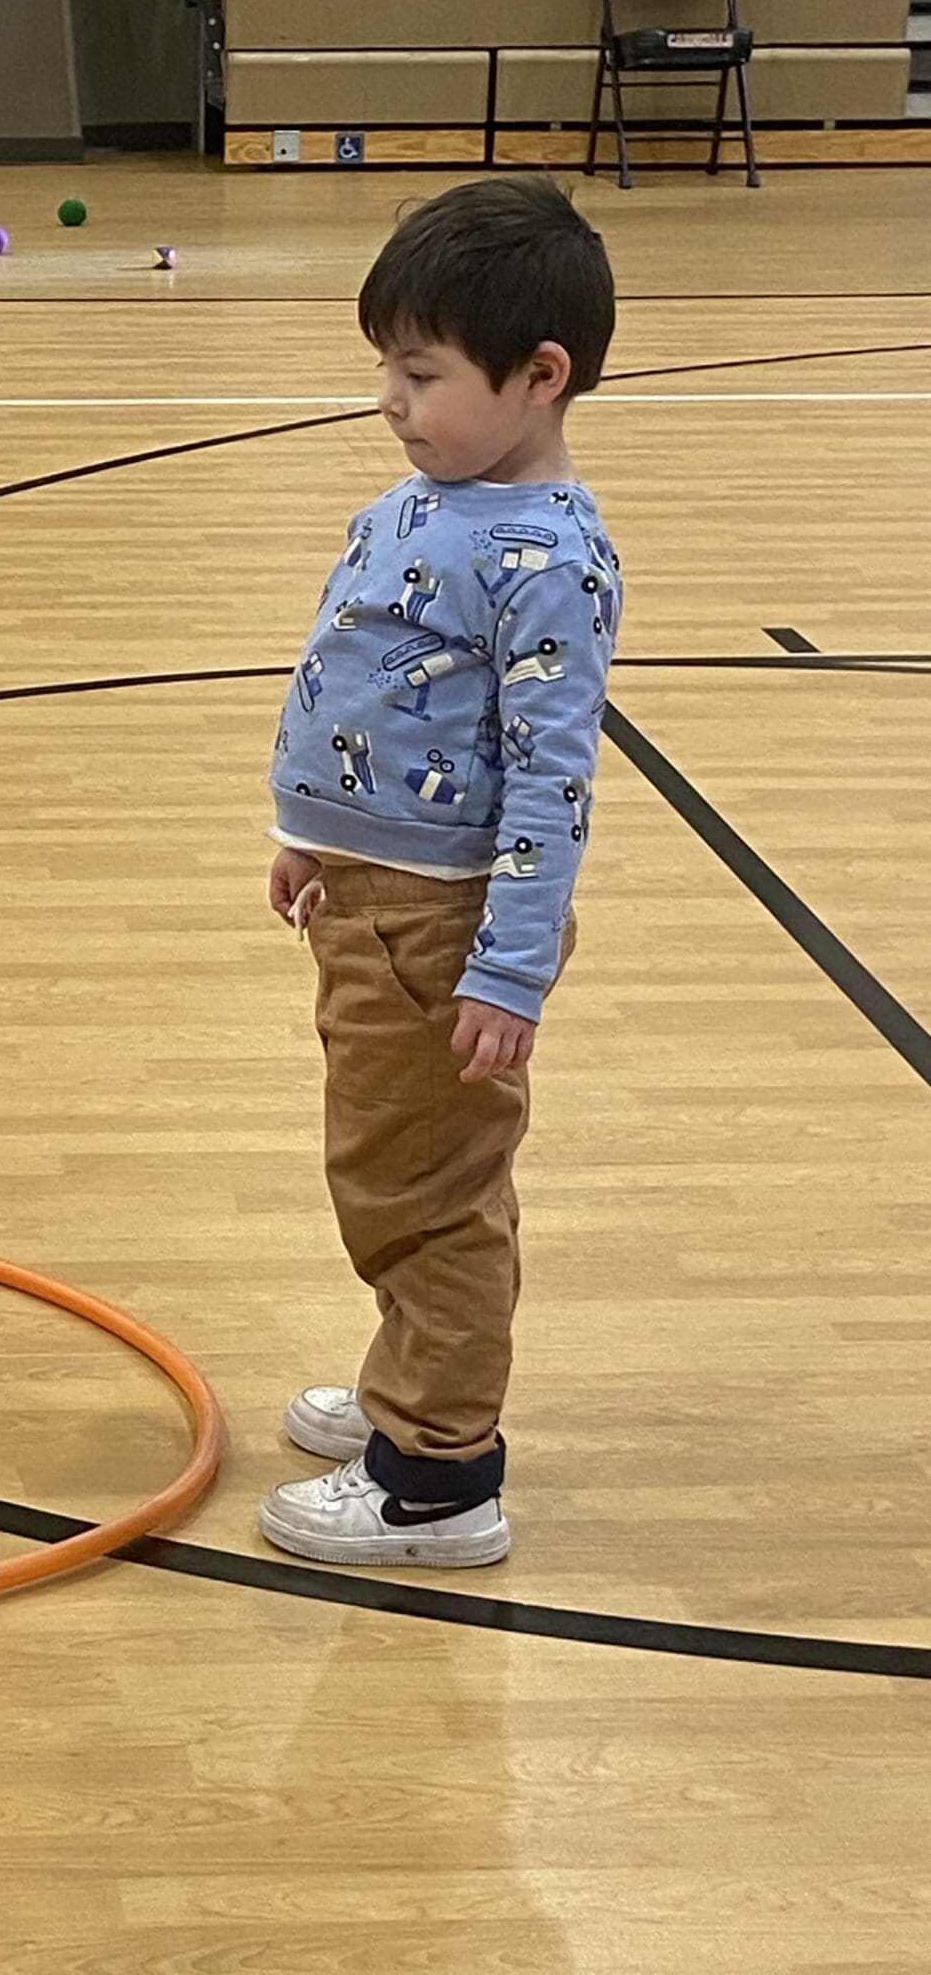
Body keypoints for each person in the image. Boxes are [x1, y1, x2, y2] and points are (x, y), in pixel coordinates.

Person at [258, 176, 621, 1568]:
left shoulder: (548, 560)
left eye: (421, 376)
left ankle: (439, 1473)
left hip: (443, 926)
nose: (390, 403)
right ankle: (412, 1381)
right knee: (389, 1169)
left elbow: (551, 781)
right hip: (370, 900)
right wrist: (313, 834)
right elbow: (363, 675)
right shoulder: (422, 504)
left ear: (540, 377)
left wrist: (509, 969)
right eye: (387, 372)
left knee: (431, 1192)